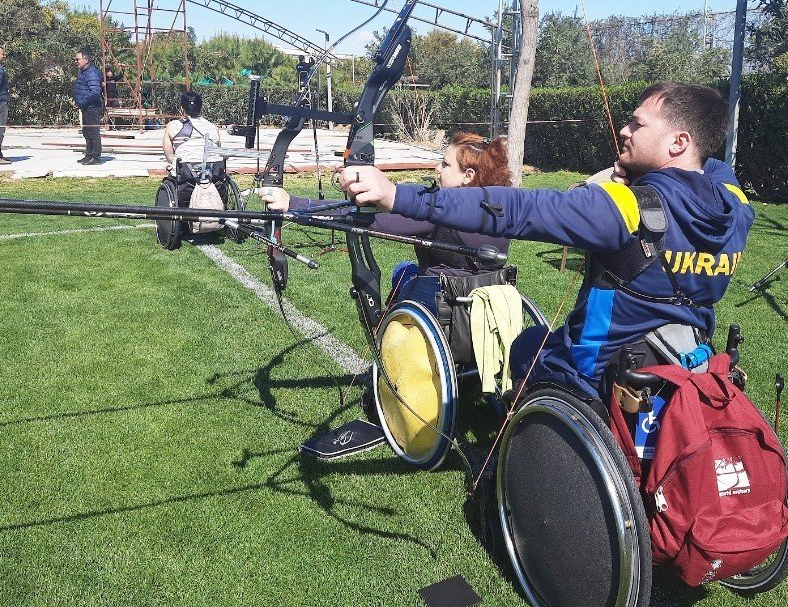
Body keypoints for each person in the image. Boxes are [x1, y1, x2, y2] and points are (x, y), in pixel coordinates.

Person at [327, 82, 755, 402]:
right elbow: (712, 167)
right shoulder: (734, 205)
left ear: (679, 142)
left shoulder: (624, 209)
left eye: (637, 124)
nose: (624, 130)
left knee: (526, 347)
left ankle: (522, 451)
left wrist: (397, 195)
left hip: (599, 370)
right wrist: (651, 173)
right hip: (677, 359)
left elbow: (515, 209)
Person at [257, 132, 512, 307]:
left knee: (403, 273)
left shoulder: (441, 212)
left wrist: (295, 205)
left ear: (468, 175)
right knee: (405, 270)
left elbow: (365, 221)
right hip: (488, 298)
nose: (437, 169)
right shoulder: (503, 206)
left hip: (445, 300)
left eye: (445, 165)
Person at [73, 49, 105, 165]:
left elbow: (95, 92)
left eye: (78, 59)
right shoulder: (83, 72)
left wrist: (81, 101)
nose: (76, 61)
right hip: (86, 106)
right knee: (86, 132)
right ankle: (89, 154)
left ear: (85, 60)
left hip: (92, 106)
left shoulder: (91, 73)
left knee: (93, 132)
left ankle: (96, 157)